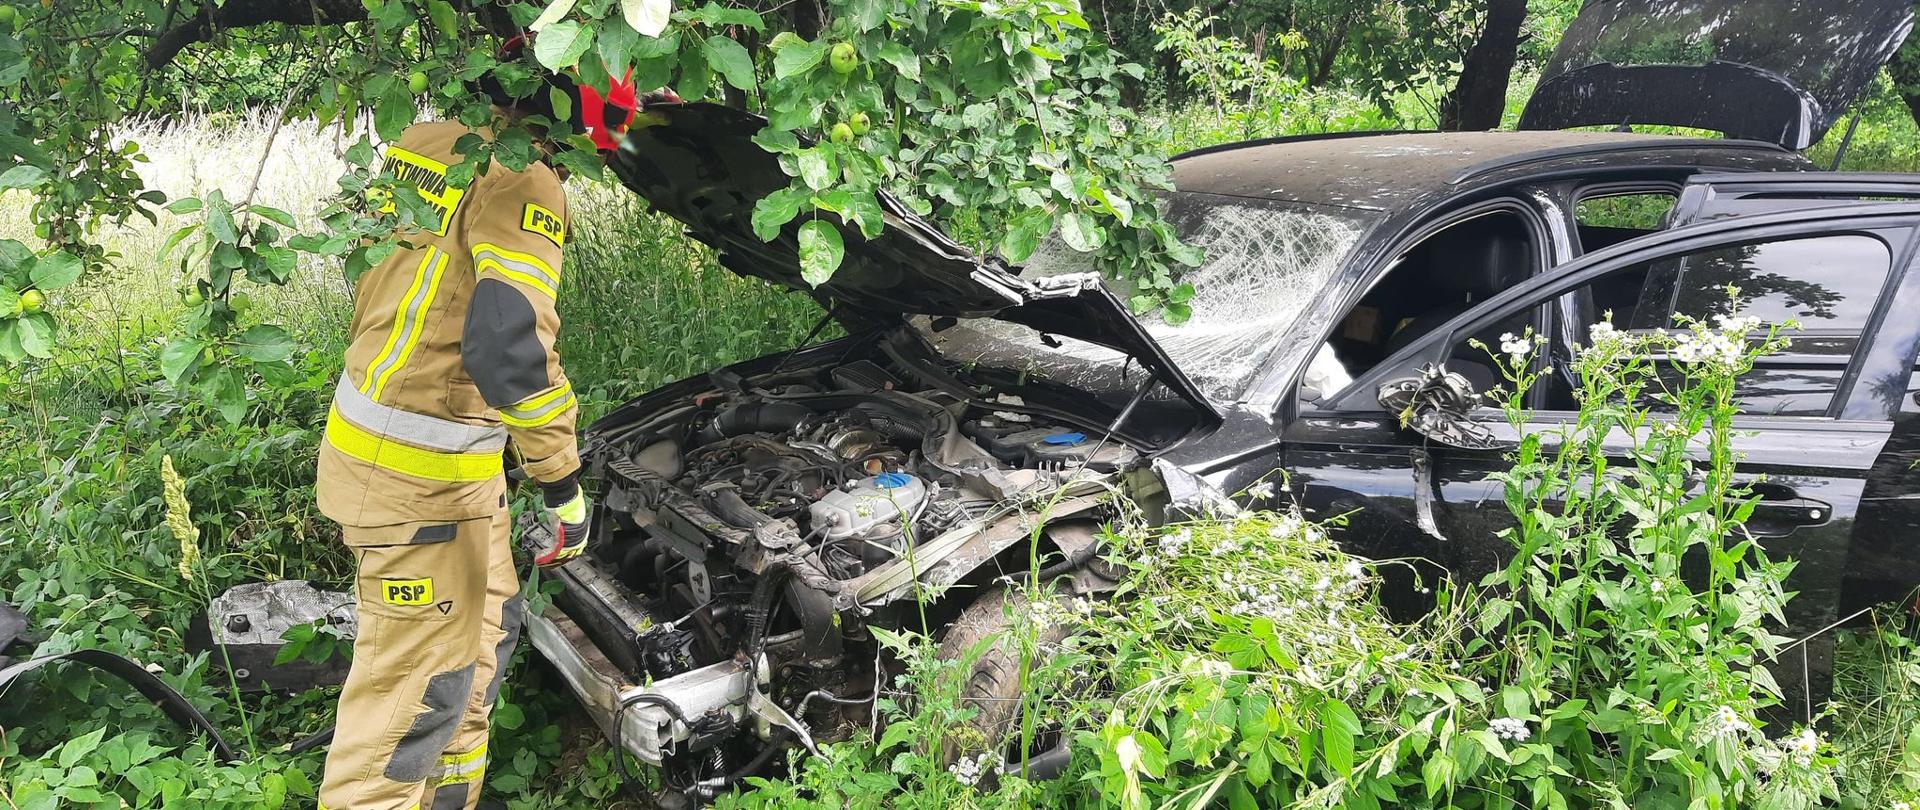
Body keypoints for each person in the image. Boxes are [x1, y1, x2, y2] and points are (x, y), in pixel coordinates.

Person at [314, 41, 668, 810]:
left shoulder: (425, 141)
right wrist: (563, 483)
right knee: (405, 715)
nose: (580, 170)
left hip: (416, 460)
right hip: (419, 480)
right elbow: (508, 340)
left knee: (472, 658)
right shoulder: (522, 177)